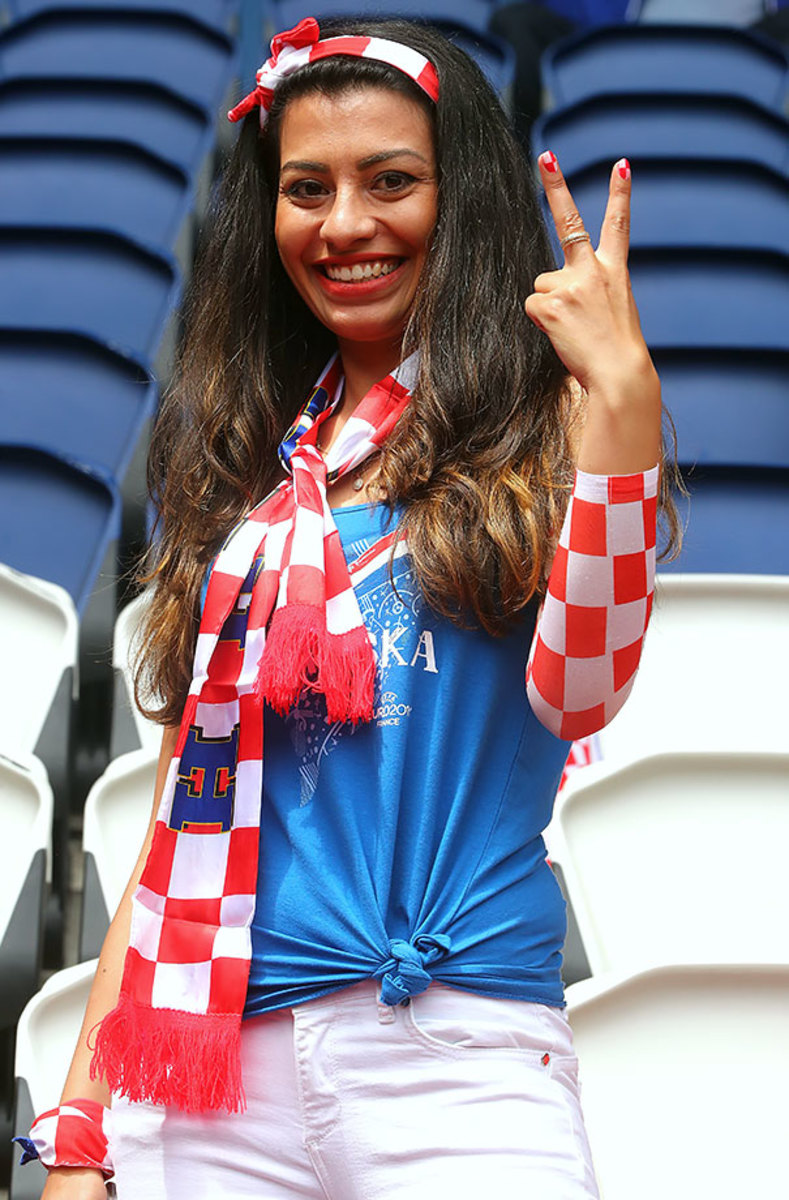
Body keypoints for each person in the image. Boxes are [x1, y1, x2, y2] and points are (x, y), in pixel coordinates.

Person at [20, 15, 679, 1199]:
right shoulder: (250, 482)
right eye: (306, 189)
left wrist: (622, 403)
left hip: (460, 1059)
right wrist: (81, 1121)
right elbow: (178, 831)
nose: (345, 226)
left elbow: (584, 688)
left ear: (460, 198)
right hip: (209, 1082)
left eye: (392, 182)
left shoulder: (544, 432)